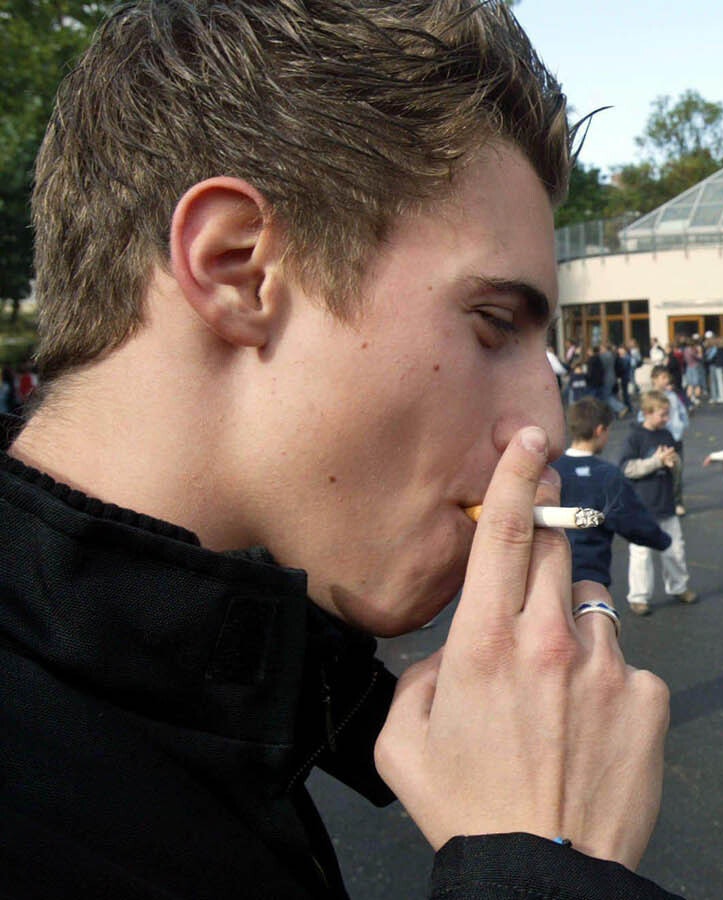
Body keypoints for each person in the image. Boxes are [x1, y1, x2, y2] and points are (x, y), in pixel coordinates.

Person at [1, 2, 677, 897]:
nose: (541, 427)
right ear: (240, 265)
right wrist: (536, 871)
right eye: (491, 324)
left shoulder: (200, 710)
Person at [553, 399, 672, 592]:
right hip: (588, 572)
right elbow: (632, 520)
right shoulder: (607, 475)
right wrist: (661, 540)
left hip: (547, 567)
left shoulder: (552, 469)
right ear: (600, 430)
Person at [620, 391, 697, 615]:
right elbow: (627, 469)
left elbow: (677, 467)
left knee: (675, 550)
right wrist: (656, 462)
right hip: (642, 507)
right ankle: (639, 597)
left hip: (665, 504)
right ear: (647, 413)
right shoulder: (634, 438)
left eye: (668, 414)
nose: (666, 419)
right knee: (641, 555)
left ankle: (678, 587)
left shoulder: (666, 435)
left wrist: (674, 463)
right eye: (662, 415)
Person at [644, 365, 690, 516]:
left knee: (677, 470)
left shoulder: (673, 396)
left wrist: (682, 426)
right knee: (658, 472)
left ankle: (677, 501)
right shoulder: (649, 398)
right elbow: (642, 417)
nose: (666, 380)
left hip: (674, 438)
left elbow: (682, 412)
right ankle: (659, 501)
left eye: (667, 377)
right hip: (657, 439)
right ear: (654, 379)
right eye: (663, 377)